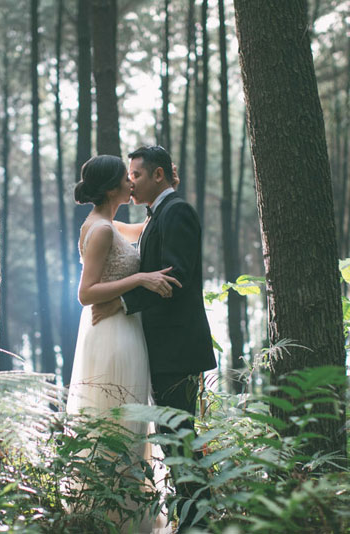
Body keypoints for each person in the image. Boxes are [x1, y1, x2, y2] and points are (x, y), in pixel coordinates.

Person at [93, 145, 216, 531]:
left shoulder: (176, 211)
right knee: (172, 439)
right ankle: (193, 519)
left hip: (177, 349)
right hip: (163, 348)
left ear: (158, 175)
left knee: (179, 440)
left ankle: (199, 523)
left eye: (137, 175)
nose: (131, 183)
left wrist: (121, 302)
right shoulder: (156, 216)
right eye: (128, 176)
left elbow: (175, 276)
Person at [66, 154, 175, 533]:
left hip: (124, 330)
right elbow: (85, 293)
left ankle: (128, 514)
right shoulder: (99, 231)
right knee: (118, 423)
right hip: (112, 335)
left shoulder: (109, 225)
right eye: (127, 178)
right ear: (113, 187)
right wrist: (140, 279)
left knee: (131, 424)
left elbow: (147, 227)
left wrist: (167, 193)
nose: (133, 182)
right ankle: (114, 519)